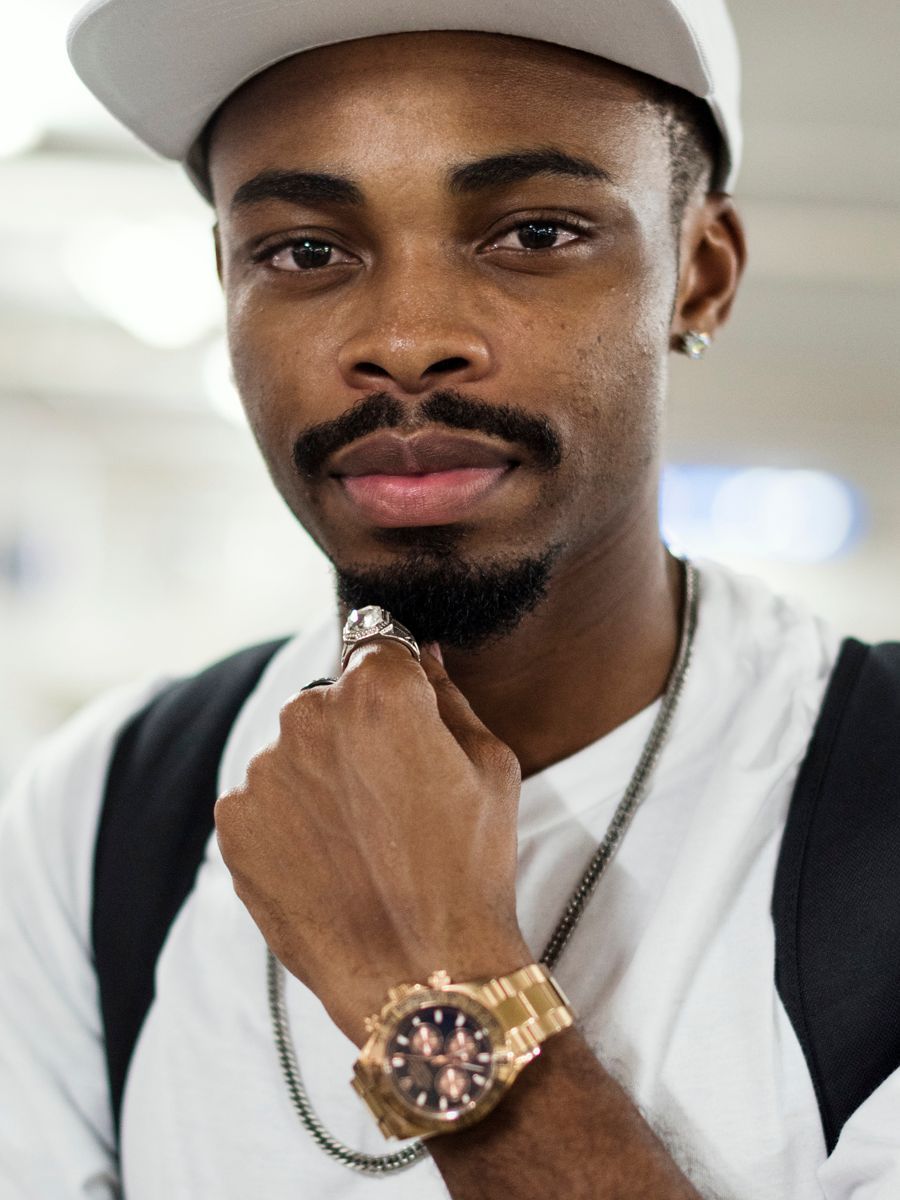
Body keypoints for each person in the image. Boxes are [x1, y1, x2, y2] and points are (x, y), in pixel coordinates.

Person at [0, 1, 896, 1197]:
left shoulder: (867, 793)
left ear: (700, 273)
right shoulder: (103, 810)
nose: (407, 339)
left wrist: (435, 977)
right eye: (305, 251)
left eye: (533, 231)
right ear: (228, 288)